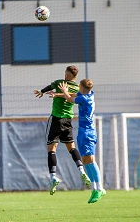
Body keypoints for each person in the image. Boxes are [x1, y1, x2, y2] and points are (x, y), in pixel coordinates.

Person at [33, 65, 91, 195]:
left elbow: (50, 86)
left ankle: (53, 176)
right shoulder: (77, 88)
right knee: (72, 148)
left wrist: (42, 92)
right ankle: (81, 170)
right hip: (68, 121)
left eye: (67, 75)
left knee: (51, 149)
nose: (66, 76)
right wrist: (59, 94)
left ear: (69, 76)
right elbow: (71, 95)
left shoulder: (60, 82)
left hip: (56, 120)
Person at [49, 79, 106, 203]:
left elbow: (70, 99)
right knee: (85, 160)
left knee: (91, 160)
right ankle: (95, 188)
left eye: (80, 87)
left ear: (83, 89)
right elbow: (74, 95)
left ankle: (99, 188)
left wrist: (64, 91)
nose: (78, 89)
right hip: (83, 131)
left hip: (88, 132)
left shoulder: (85, 99)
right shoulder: (88, 94)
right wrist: (59, 94)